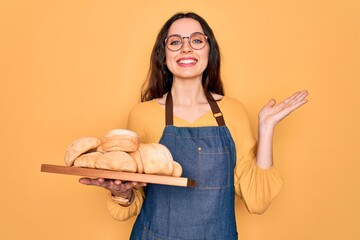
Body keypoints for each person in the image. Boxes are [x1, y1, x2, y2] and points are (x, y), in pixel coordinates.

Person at [79, 12, 308, 239]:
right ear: (164, 55)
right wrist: (123, 193)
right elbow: (134, 199)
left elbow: (257, 201)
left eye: (197, 40)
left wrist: (266, 128)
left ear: (209, 50)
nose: (186, 48)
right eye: (175, 42)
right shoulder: (143, 115)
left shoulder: (233, 112)